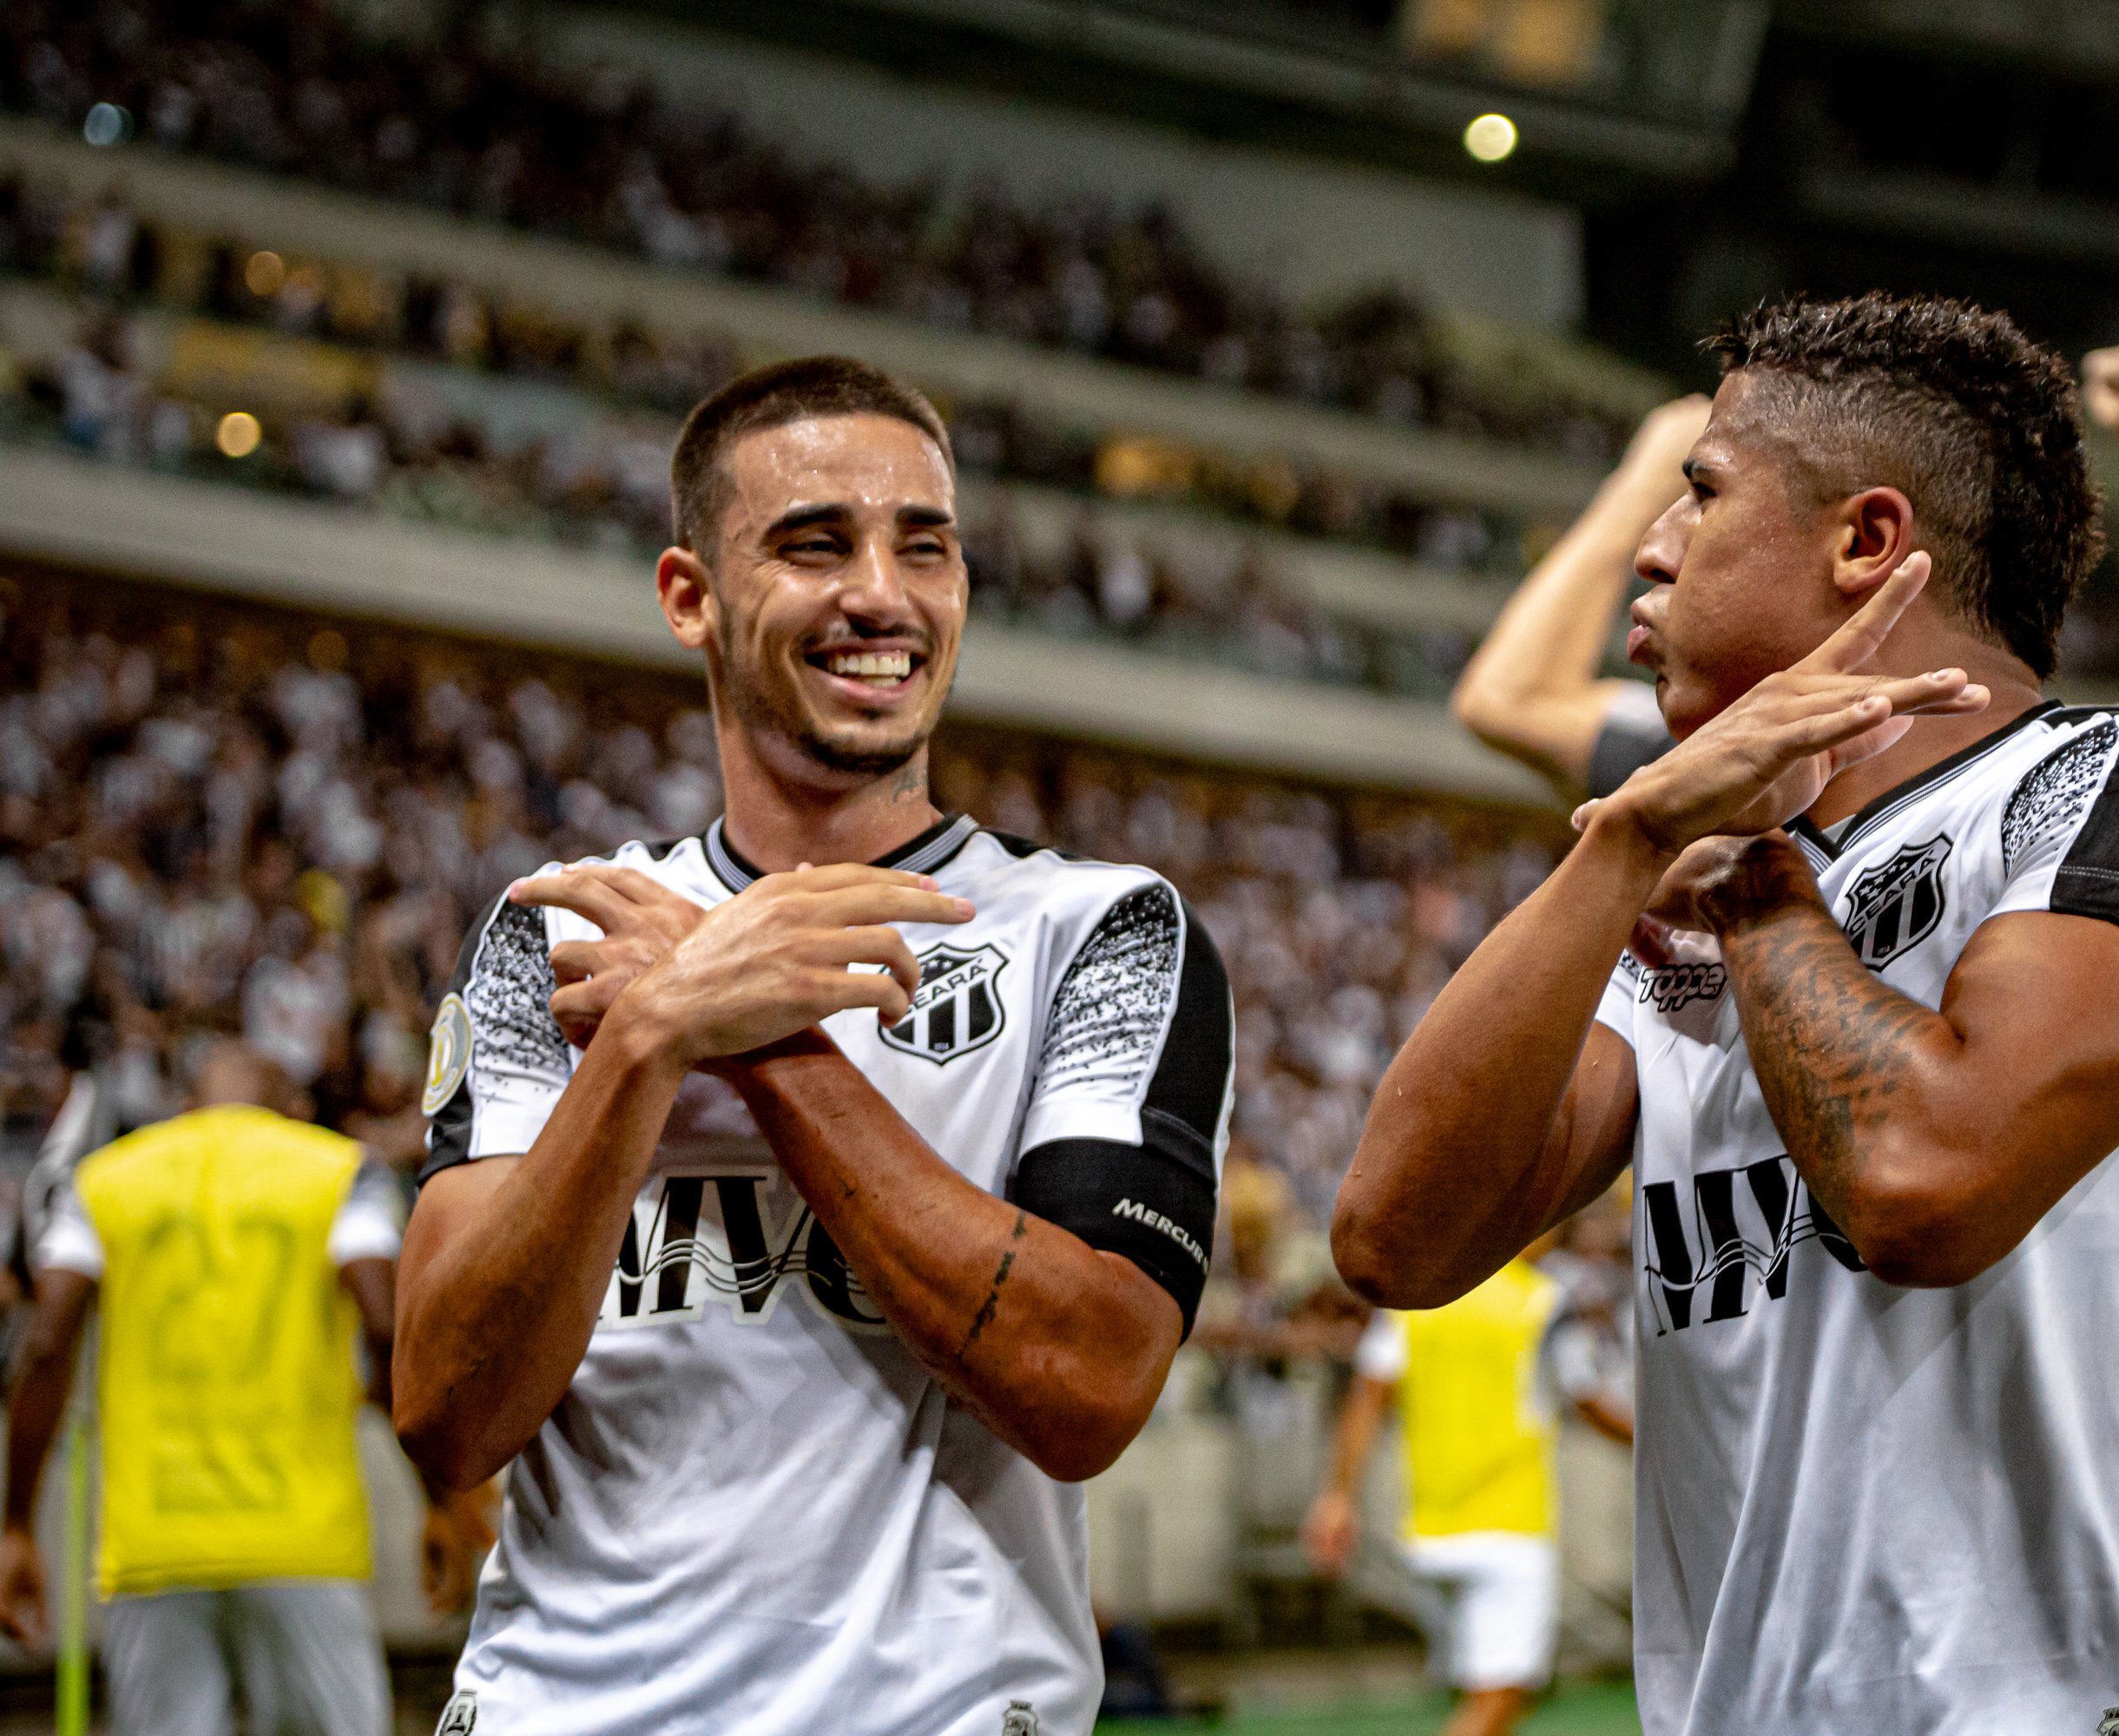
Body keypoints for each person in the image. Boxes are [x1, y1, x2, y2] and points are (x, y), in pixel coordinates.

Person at [1333, 293, 2119, 1734]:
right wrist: (1616, 854)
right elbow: (1397, 1242)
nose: (1650, 554)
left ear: (1865, 544)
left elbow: (1923, 1185)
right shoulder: (1670, 884)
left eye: (1701, 494)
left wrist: (1754, 889)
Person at [393, 356, 1234, 1735]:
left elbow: (1087, 1387)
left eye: (926, 546)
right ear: (690, 599)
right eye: (812, 544)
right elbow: (446, 1413)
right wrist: (648, 1039)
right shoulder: (557, 934)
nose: (882, 597)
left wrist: (760, 1039)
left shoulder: (1105, 930)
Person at [1455, 332, 2119, 801]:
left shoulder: (1744, 766)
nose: (1675, 544)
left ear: (1868, 542)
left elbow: (1509, 697)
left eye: (1708, 505)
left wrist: (1646, 476)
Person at [0, 1042, 423, 1736]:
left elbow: (46, 1346)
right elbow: (384, 1326)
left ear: (185, 1108)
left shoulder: (104, 1179)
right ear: (294, 1108)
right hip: (303, 1538)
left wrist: (16, 1524)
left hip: (154, 1541)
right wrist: (437, 1496)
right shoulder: (341, 1171)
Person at [1300, 1233, 1632, 1736]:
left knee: (1487, 1696)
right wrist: (1659, 1440)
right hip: (1510, 1529)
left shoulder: (1417, 1300)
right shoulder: (1543, 1301)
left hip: (1429, 1535)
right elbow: (1589, 1398)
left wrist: (1338, 1497)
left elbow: (1367, 1399)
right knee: (1499, 1700)